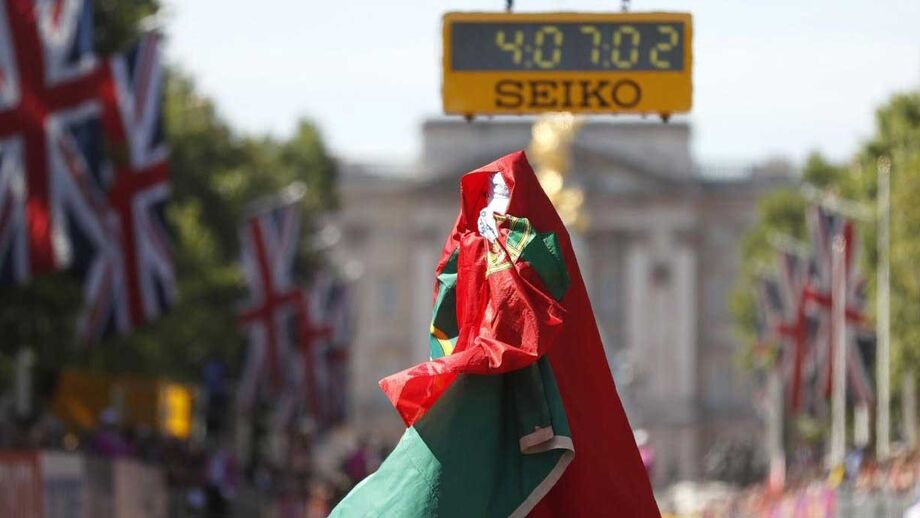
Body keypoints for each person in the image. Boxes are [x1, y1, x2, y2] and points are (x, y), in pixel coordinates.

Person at [331, 151, 659, 517]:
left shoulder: (513, 243)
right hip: (492, 369)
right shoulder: (483, 243)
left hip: (513, 374)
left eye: (501, 198)